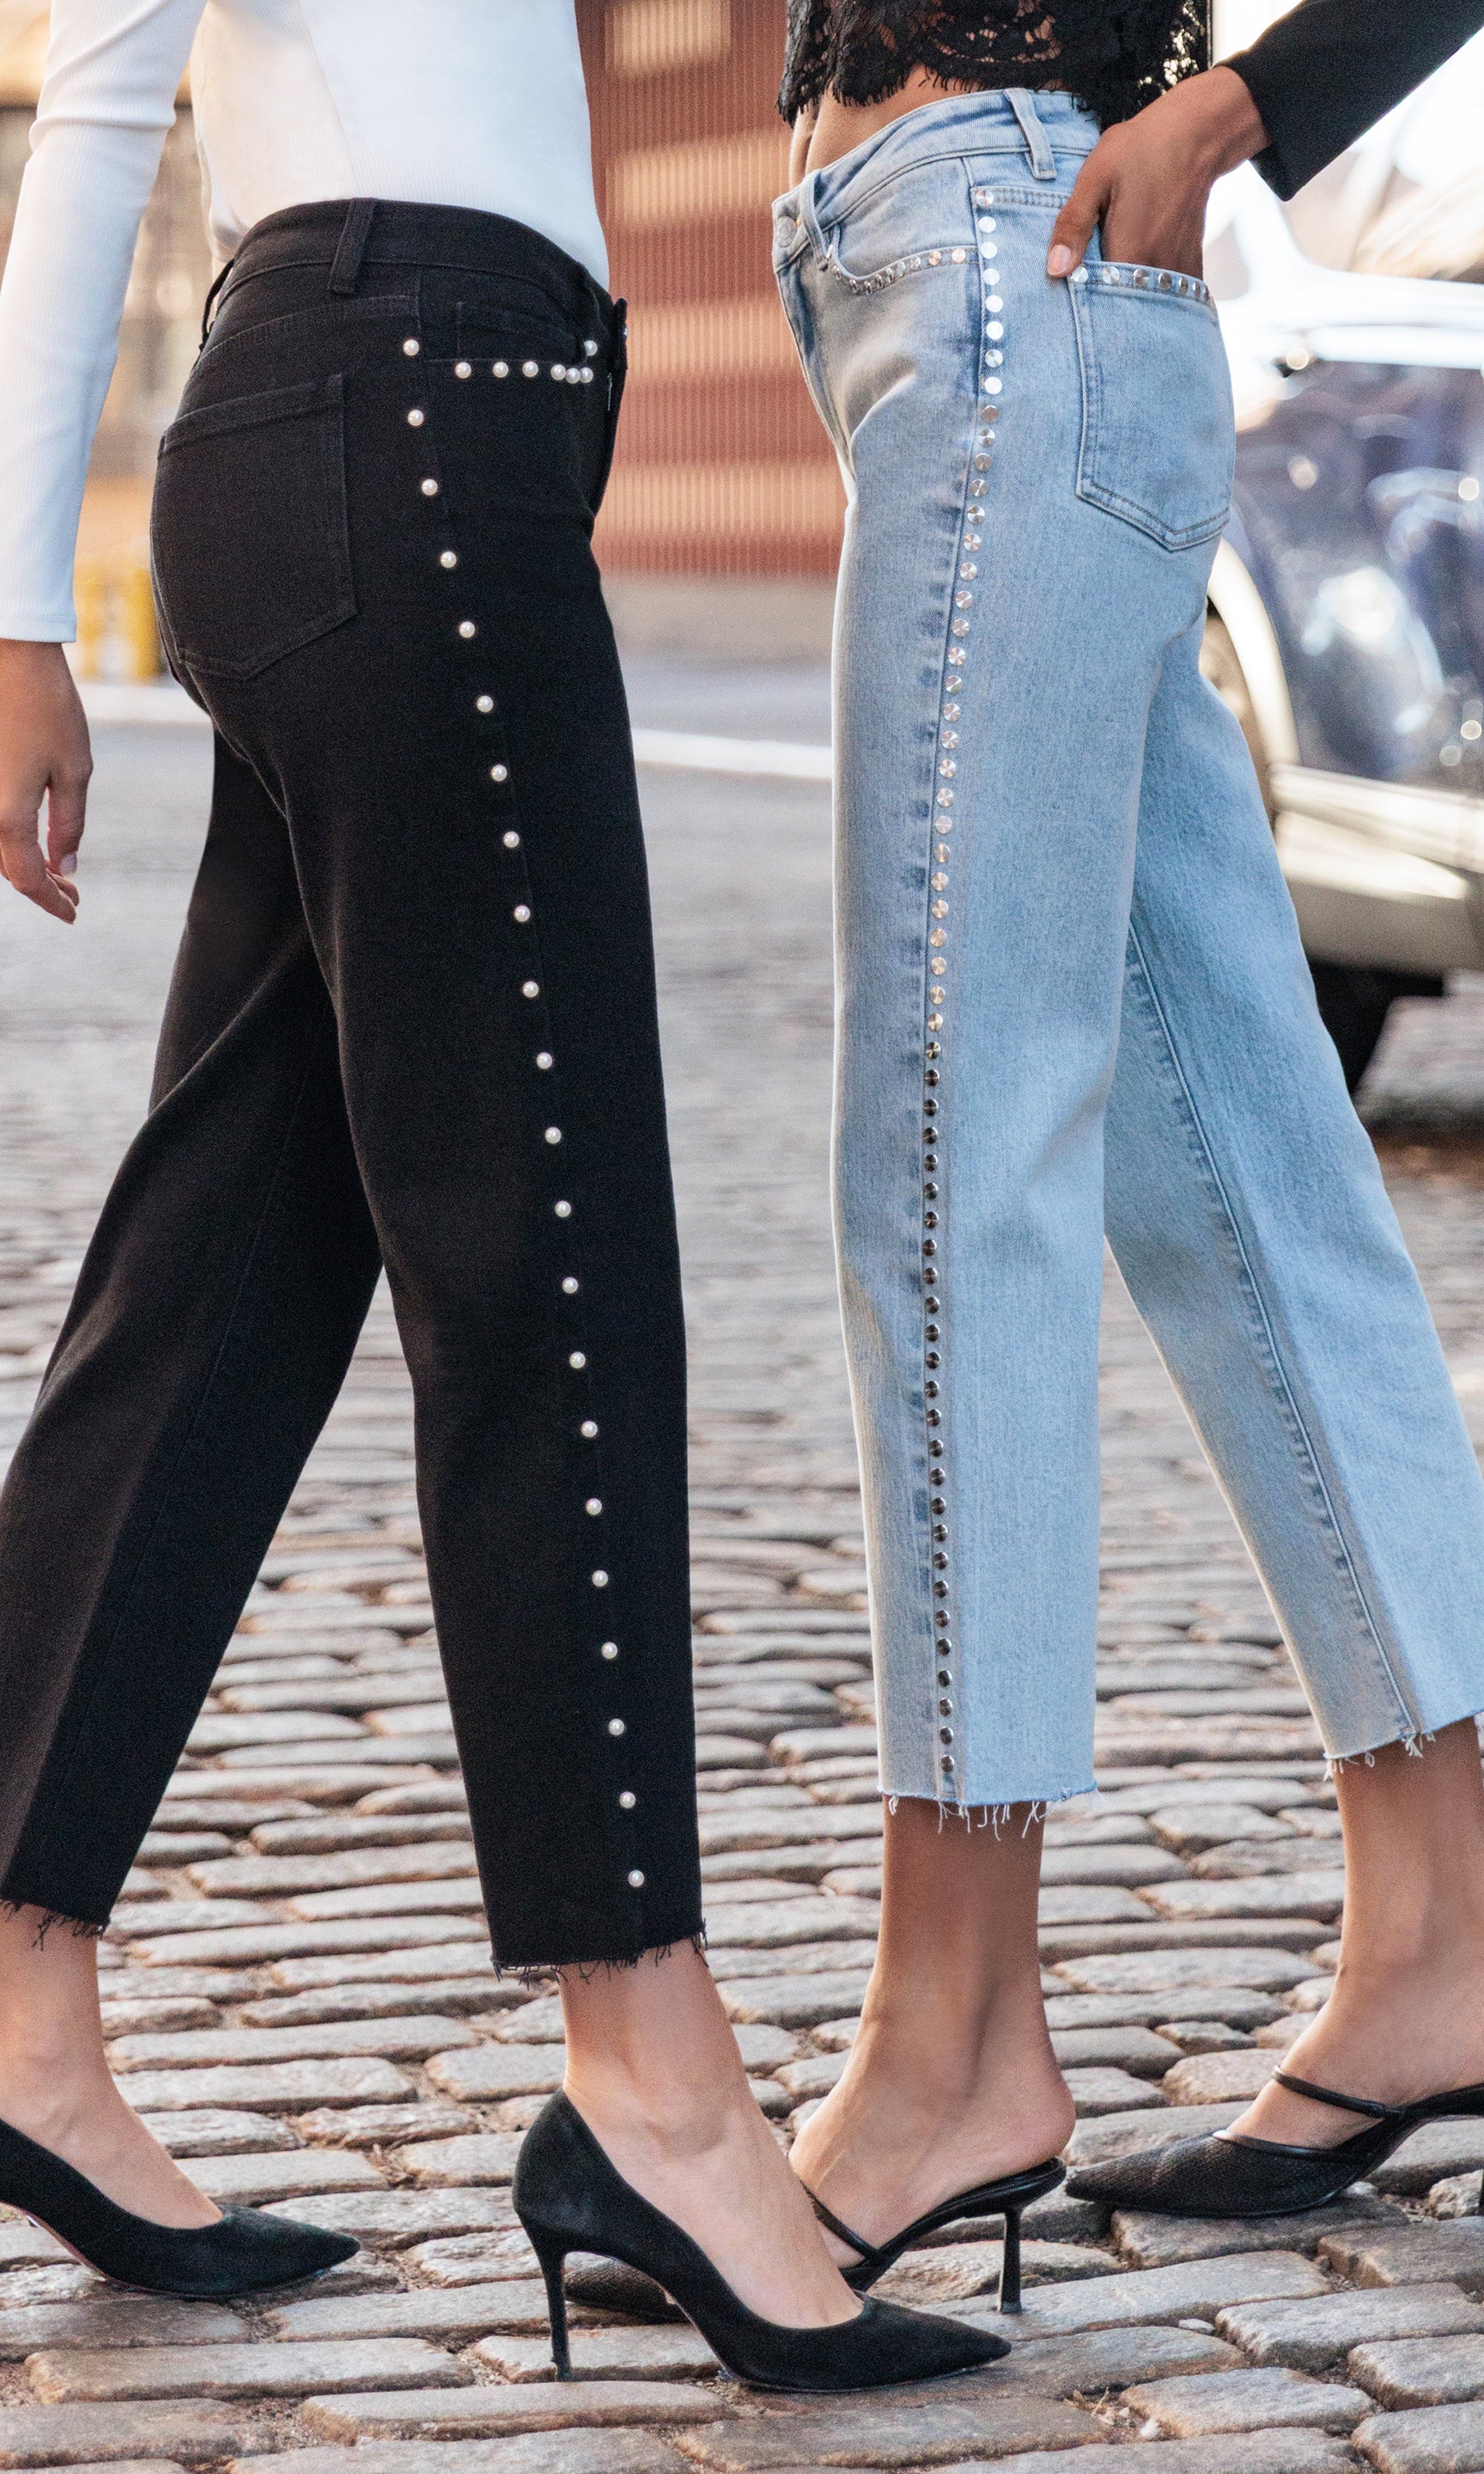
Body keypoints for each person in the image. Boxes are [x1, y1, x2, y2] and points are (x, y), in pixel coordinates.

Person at [0, 0, 1007, 2389]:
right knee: (550, 1262)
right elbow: (100, 75)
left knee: (228, 1271)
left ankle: (14, 1990)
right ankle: (652, 2078)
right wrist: (11, 604)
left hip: (414, 425)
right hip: (405, 417)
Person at [771, 0, 1484, 2258]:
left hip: (1020, 256)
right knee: (1240, 1158)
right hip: (970, 270)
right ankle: (1456, 1919)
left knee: (956, 1146)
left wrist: (1246, 108)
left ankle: (956, 2043)